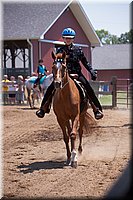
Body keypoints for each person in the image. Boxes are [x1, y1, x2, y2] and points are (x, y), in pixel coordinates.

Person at [36, 27, 103, 120]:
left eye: (70, 38)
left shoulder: (78, 50)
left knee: (88, 88)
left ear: (73, 39)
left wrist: (91, 71)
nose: (68, 40)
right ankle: (43, 108)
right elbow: (56, 64)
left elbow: (85, 62)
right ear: (63, 39)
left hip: (77, 74)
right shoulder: (59, 51)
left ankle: (97, 110)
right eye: (66, 38)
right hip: (63, 76)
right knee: (50, 88)